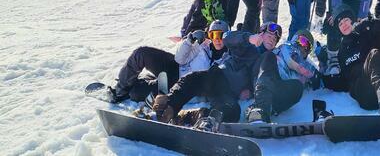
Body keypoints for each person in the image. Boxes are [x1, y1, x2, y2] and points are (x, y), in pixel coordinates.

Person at [151, 22, 283, 129]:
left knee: (232, 112)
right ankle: (164, 110)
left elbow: (265, 82)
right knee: (192, 80)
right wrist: (249, 38)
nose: (272, 40)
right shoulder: (246, 43)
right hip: (219, 77)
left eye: (275, 39)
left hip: (230, 94)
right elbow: (227, 37)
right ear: (260, 34)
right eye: (269, 36)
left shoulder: (270, 60)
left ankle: (206, 121)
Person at [105, 20, 230, 103]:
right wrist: (189, 41)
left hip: (178, 84)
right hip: (174, 66)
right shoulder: (203, 46)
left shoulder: (228, 58)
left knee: (136, 93)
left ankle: (140, 82)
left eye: (221, 35)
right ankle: (120, 90)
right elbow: (180, 59)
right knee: (141, 53)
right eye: (213, 35)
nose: (217, 39)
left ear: (227, 36)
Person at [246, 29, 319, 123]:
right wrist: (305, 71)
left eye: (307, 45)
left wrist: (319, 70)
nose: (303, 46)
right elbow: (290, 61)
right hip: (266, 76)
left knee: (298, 87)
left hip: (279, 87)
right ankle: (259, 109)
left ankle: (268, 110)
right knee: (269, 56)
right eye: (302, 40)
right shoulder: (287, 47)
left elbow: (319, 80)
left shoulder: (306, 64)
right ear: (295, 39)